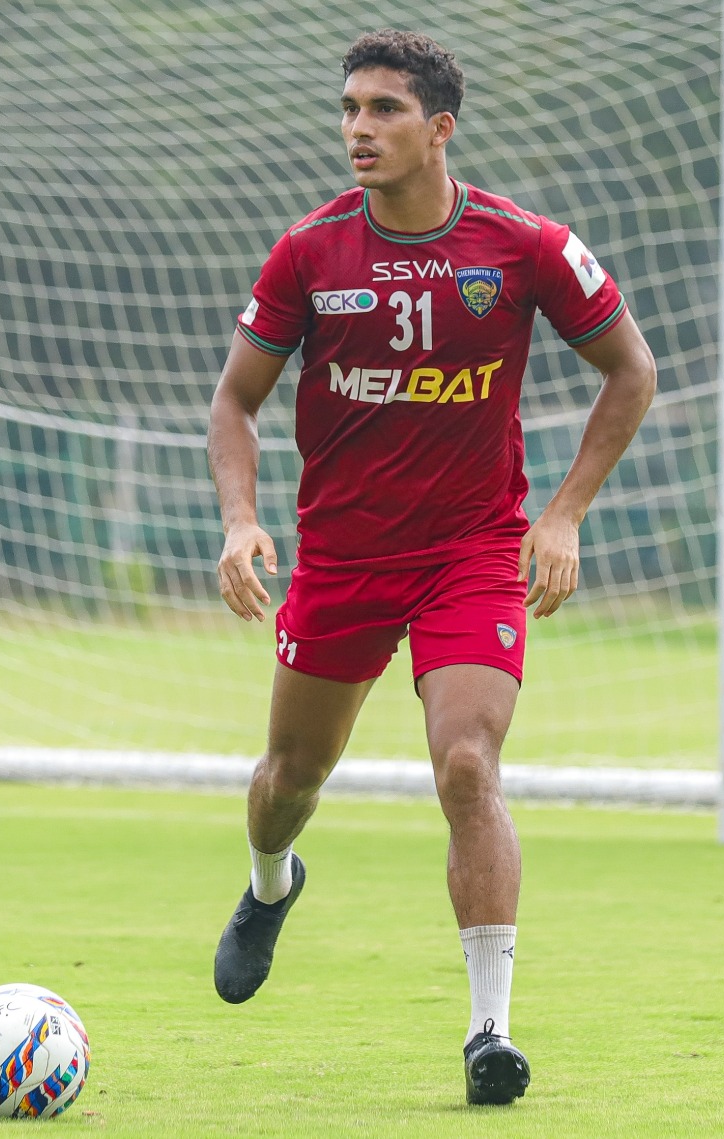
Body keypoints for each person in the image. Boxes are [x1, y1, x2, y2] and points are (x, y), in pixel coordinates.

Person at [206, 30, 656, 1105]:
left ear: (438, 128)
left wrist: (562, 516)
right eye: (350, 108)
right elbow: (234, 401)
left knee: (466, 764)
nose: (358, 128)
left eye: (383, 110)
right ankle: (271, 883)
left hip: (469, 556)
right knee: (286, 784)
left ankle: (488, 1031)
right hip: (345, 556)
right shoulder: (307, 253)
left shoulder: (528, 245)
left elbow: (629, 371)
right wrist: (239, 520)